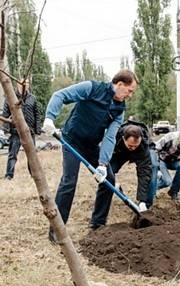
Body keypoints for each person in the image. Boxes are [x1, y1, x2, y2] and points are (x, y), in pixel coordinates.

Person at [41, 70, 138, 236]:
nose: (130, 95)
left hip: (91, 145)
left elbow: (110, 137)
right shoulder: (92, 88)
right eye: (129, 91)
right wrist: (50, 117)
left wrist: (102, 164)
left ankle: (97, 224)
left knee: (108, 179)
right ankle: (57, 231)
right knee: (69, 181)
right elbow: (60, 95)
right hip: (71, 139)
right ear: (120, 84)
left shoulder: (119, 110)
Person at [90, 120, 155, 229]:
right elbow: (101, 164)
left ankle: (144, 206)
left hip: (139, 154)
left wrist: (142, 200)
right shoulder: (114, 136)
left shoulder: (143, 145)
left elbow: (144, 173)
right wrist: (112, 179)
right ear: (124, 138)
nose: (133, 148)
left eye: (135, 146)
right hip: (118, 153)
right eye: (131, 146)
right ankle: (98, 221)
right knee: (106, 179)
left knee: (149, 173)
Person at [2, 78, 42, 180]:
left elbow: (37, 115)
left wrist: (38, 130)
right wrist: (6, 129)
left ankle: (33, 174)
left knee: (32, 156)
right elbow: (5, 114)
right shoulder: (10, 98)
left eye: (27, 83)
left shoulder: (32, 98)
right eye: (23, 83)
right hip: (16, 132)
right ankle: (9, 175)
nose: (25, 85)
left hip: (29, 131)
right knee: (12, 155)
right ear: (18, 84)